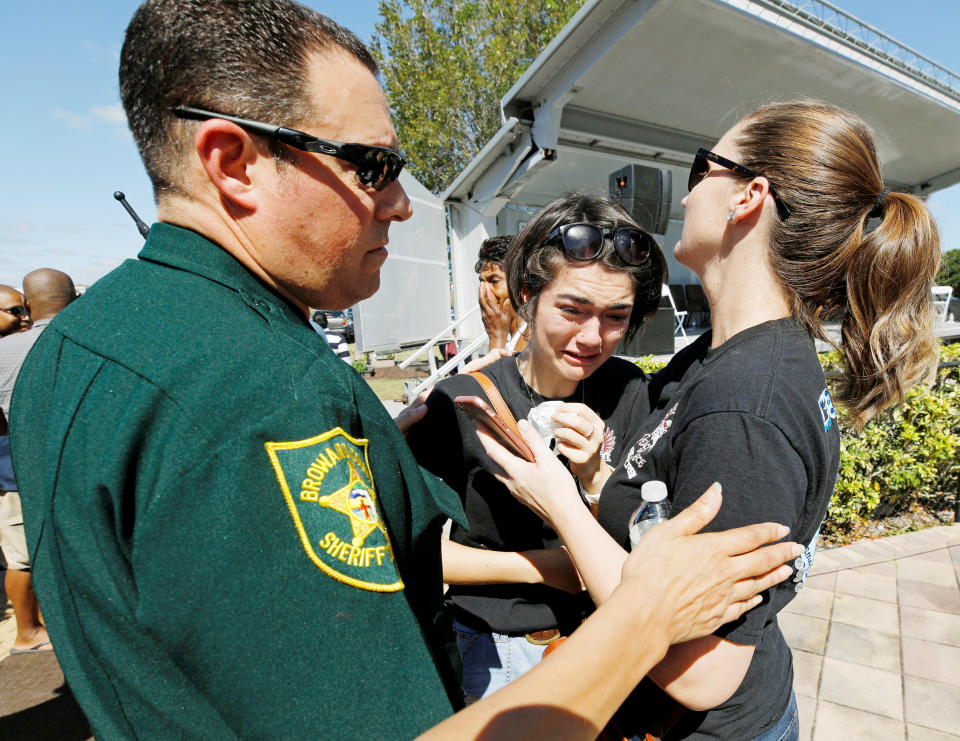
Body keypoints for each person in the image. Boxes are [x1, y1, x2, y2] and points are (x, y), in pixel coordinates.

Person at [10, 1, 799, 737]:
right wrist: (648, 611)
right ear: (233, 162)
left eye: (617, 316)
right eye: (370, 165)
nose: (397, 203)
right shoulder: (258, 392)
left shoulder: (77, 344)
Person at [475, 100, 941, 740]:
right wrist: (594, 475)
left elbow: (703, 672)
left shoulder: (746, 402)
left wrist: (561, 504)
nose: (689, 194)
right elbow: (667, 515)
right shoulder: (724, 354)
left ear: (748, 196)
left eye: (703, 169)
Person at [408, 192, 665, 701]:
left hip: (602, 638)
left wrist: (595, 474)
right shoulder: (460, 403)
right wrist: (544, 568)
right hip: (500, 649)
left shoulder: (629, 388)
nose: (593, 337)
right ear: (528, 294)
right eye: (572, 308)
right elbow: (417, 553)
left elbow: (646, 529)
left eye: (616, 316)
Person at [0, 268, 76, 655]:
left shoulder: (6, 351)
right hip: (76, 469)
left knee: (26, 555)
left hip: (20, 470)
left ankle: (31, 628)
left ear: (29, 304)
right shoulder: (96, 339)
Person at [476, 234, 528, 352]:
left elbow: (498, 371)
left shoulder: (531, 339)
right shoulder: (517, 337)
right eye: (482, 282)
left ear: (520, 284)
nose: (484, 292)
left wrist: (497, 337)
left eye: (494, 281)